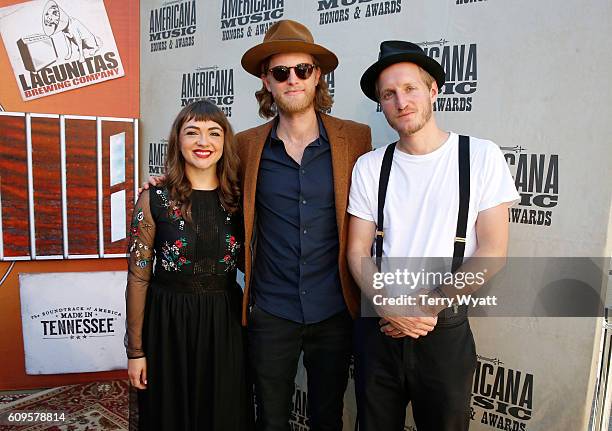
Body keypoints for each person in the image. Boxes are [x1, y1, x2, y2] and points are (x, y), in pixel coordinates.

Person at [347, 41, 519, 430]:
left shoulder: (481, 156)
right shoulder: (371, 166)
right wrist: (387, 304)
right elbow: (357, 249)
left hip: (444, 331)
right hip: (380, 329)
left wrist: (429, 306)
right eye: (388, 94)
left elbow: (494, 251)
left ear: (433, 90)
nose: (400, 101)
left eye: (410, 89)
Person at [237, 20, 371, 431]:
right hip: (271, 308)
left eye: (302, 70)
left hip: (334, 307)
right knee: (270, 416)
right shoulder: (246, 145)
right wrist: (163, 187)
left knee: (328, 416)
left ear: (318, 76)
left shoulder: (355, 139)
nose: (292, 79)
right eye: (281, 72)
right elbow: (210, 193)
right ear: (267, 80)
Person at [125, 100, 250, 430]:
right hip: (167, 322)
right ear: (177, 141)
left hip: (224, 323)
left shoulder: (240, 200)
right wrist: (136, 351)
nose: (203, 142)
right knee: (169, 414)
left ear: (225, 142)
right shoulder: (154, 198)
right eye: (192, 132)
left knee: (222, 413)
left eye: (213, 133)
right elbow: (138, 278)